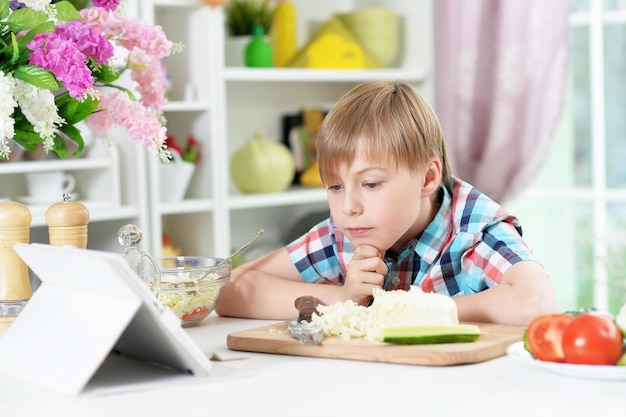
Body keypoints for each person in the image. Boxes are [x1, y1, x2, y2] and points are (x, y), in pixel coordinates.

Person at [216, 80, 557, 326]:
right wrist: (344, 300)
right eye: (335, 186)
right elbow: (229, 290)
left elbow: (535, 301)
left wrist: (415, 311)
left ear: (426, 178)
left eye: (371, 183)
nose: (349, 206)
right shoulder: (344, 231)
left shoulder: (474, 229)